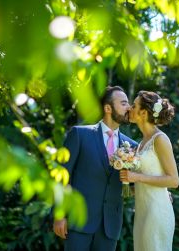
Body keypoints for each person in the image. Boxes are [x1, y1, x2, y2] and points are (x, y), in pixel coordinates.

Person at [53, 86, 137, 251]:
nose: (128, 108)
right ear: (108, 108)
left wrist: (160, 192)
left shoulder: (132, 146)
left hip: (110, 227)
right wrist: (59, 215)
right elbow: (62, 175)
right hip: (79, 222)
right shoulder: (79, 135)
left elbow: (133, 186)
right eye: (123, 103)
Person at [120, 90, 179, 251]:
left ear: (144, 113)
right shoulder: (141, 143)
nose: (129, 109)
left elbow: (174, 180)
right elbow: (149, 178)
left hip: (157, 212)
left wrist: (136, 177)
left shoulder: (160, 139)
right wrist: (127, 188)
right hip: (142, 213)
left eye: (133, 106)